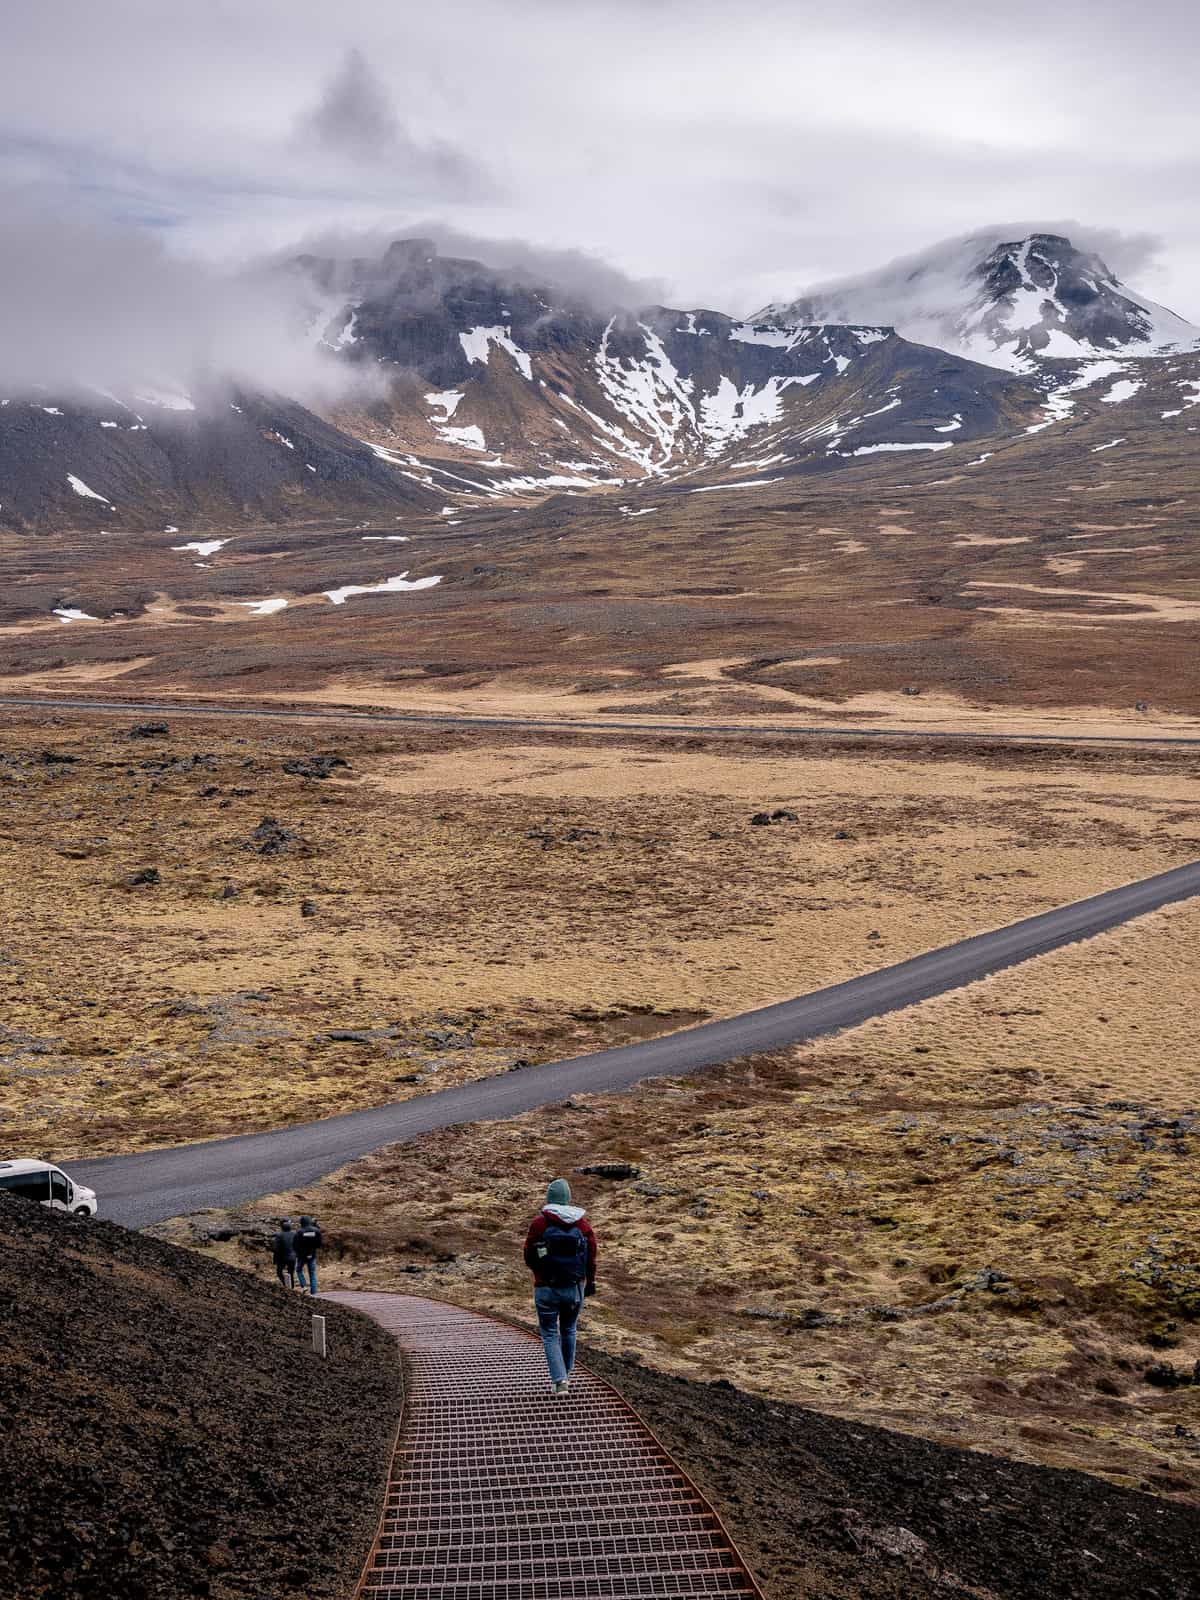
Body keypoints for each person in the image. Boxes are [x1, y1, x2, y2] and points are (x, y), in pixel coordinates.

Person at [523, 1178, 596, 1396]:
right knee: (569, 1329)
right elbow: (591, 1257)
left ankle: (559, 1380)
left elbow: (528, 1254)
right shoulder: (583, 1225)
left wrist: (539, 1273)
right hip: (574, 1287)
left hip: (545, 1287)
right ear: (568, 1198)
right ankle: (567, 1374)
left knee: (549, 1333)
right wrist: (589, 1281)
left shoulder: (539, 1223)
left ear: (549, 1198)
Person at [294, 1214, 322, 1296]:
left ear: (301, 1222)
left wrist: (299, 1253)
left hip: (302, 1255)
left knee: (299, 1270)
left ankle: (303, 1285)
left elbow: (295, 1245)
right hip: (312, 1254)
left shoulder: (299, 1232)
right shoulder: (316, 1231)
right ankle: (314, 1293)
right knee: (312, 1273)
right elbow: (319, 1244)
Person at [272, 1217, 299, 1290]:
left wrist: (275, 1259)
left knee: (279, 1272)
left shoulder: (279, 1235)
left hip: (282, 1258)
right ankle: (292, 1288)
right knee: (291, 1273)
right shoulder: (294, 1234)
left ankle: (285, 1285)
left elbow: (276, 1249)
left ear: (282, 1228)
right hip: (293, 1257)